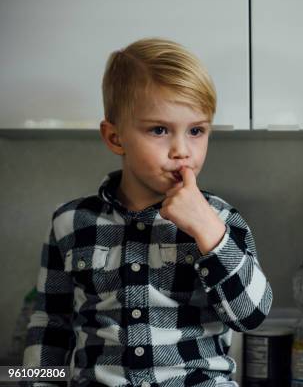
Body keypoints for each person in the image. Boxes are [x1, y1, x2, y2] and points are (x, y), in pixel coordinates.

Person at [23, 38, 273, 387]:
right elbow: (50, 324)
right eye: (159, 130)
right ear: (115, 138)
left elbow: (252, 315)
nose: (182, 151)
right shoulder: (69, 222)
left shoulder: (220, 218)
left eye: (196, 131)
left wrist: (207, 230)